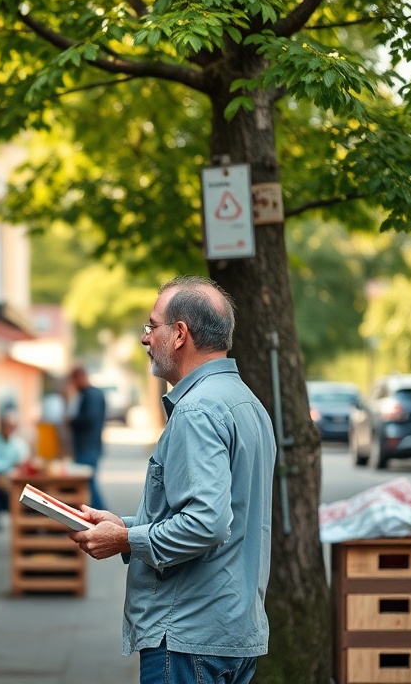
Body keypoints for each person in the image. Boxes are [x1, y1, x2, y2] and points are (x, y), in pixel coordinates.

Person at [68, 276, 276, 684]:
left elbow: (207, 523)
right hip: (231, 632)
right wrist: (124, 525)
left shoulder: (197, 410)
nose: (146, 338)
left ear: (180, 334)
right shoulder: (246, 402)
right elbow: (218, 513)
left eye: (152, 326)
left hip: (188, 638)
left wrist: (126, 540)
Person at [0, 408, 31, 524]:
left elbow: (23, 460)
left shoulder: (17, 442)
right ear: (2, 425)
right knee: (13, 494)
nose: (11, 429)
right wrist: (11, 464)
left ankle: (27, 522)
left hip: (13, 479)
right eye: (8, 425)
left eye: (13, 426)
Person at [67, 365, 107, 509]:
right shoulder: (90, 394)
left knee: (88, 482)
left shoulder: (91, 395)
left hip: (88, 447)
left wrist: (71, 421)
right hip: (88, 446)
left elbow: (89, 418)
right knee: (86, 484)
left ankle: (103, 515)